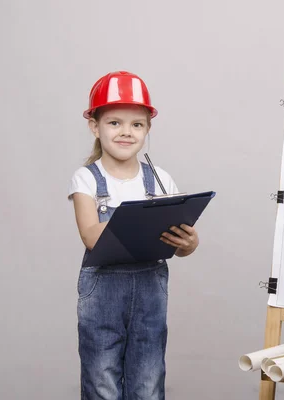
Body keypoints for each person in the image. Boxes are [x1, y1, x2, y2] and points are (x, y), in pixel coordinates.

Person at [67, 71, 199, 400]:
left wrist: (190, 243)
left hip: (149, 290)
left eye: (136, 124)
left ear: (147, 129)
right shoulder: (86, 179)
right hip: (104, 291)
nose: (126, 132)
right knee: (102, 378)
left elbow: (180, 244)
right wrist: (137, 216)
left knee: (148, 376)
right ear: (95, 127)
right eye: (114, 123)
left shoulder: (161, 179)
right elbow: (91, 237)